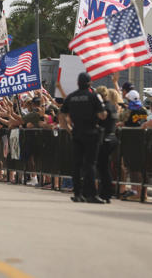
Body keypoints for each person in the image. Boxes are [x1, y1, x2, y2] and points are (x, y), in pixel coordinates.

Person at [59, 72, 107, 204]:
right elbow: (103, 115)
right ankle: (91, 194)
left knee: (76, 165)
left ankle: (77, 193)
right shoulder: (94, 96)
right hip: (91, 132)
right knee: (90, 164)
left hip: (77, 133)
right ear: (90, 83)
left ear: (77, 83)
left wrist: (68, 129)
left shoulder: (71, 97)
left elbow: (61, 115)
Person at [97, 87, 120, 203]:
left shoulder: (105, 107)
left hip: (106, 138)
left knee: (103, 167)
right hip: (111, 137)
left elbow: (102, 117)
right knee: (104, 167)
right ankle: (105, 192)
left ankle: (105, 193)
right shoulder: (112, 106)